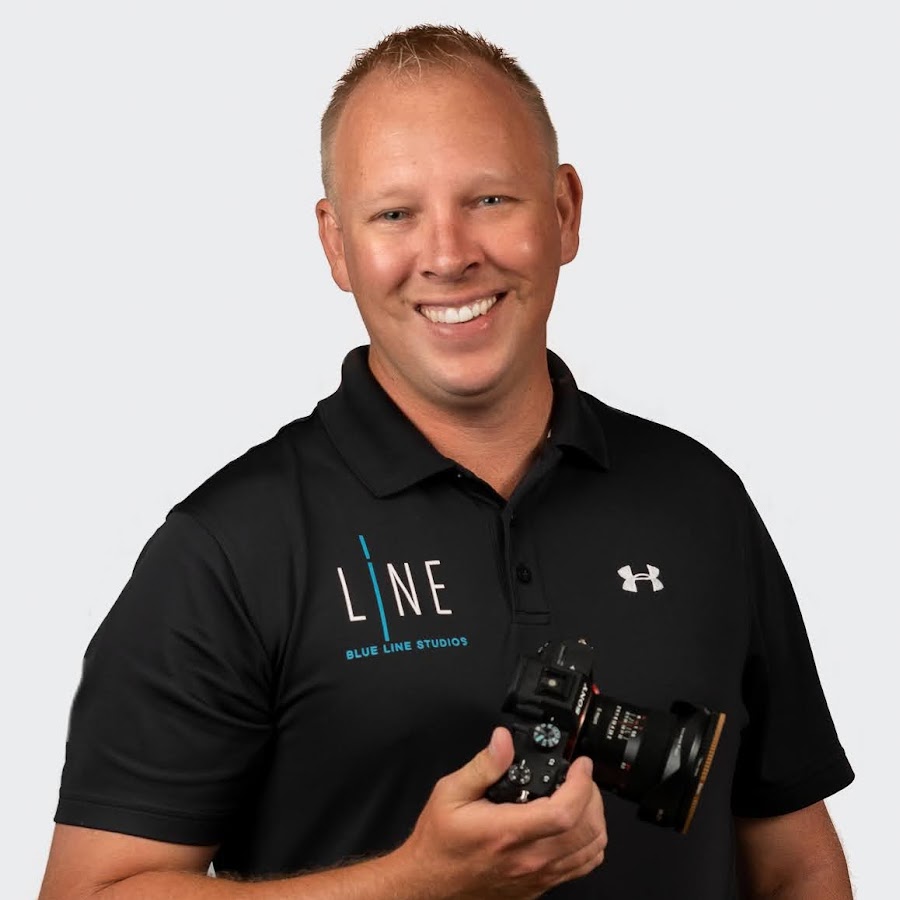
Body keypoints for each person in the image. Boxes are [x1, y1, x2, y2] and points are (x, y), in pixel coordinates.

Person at [39, 24, 854, 899]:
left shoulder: (699, 502)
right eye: (395, 213)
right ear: (336, 244)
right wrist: (417, 882)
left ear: (564, 211)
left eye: (491, 199)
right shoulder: (230, 548)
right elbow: (90, 893)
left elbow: (798, 866)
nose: (448, 254)